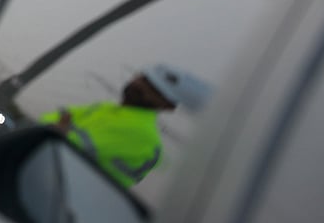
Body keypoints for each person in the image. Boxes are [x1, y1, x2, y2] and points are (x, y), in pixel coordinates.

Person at [42, 64, 211, 188]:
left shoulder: (142, 135)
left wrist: (59, 129)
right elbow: (47, 122)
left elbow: (59, 145)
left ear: (168, 106)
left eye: (154, 89)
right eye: (144, 78)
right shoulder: (106, 108)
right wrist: (55, 129)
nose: (140, 85)